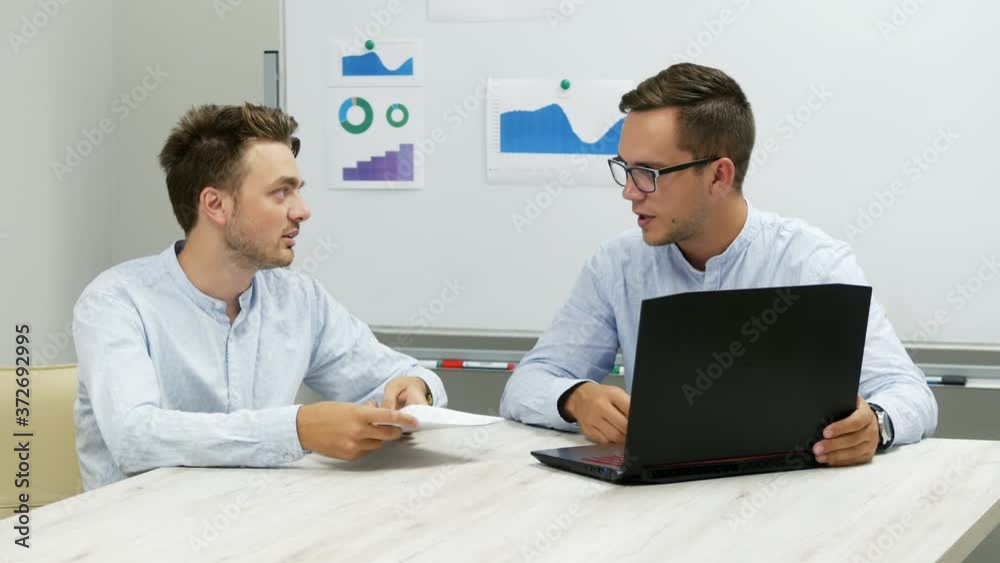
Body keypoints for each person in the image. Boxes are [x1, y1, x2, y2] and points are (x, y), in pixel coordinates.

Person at [500, 63, 937, 467]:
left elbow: (909, 391)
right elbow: (526, 384)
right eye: (625, 169)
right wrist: (575, 397)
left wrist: (877, 424)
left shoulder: (813, 263)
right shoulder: (616, 265)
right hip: (653, 505)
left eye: (649, 173)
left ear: (718, 176)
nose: (629, 192)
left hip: (787, 502)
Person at [73, 103, 446, 490]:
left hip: (260, 517)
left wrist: (414, 390)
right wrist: (298, 429)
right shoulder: (116, 301)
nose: (302, 211)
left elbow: (399, 377)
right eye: (282, 192)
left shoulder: (298, 299)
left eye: (298, 191)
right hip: (144, 524)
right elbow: (135, 438)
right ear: (215, 205)